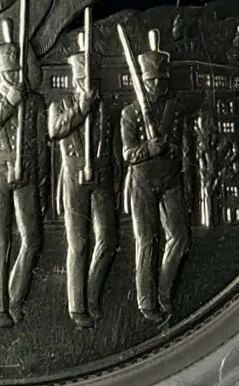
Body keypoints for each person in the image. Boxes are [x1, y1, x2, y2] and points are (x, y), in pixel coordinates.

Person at [0, 41, 47, 327]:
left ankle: (14, 297)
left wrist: (41, 181)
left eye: (18, 71)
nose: (14, 76)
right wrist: (9, 102)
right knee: (0, 239)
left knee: (32, 238)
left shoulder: (34, 102)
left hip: (26, 171)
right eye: (9, 72)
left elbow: (41, 143)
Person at [120, 30, 192, 320]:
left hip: (171, 178)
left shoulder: (176, 110)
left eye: (162, 79)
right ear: (144, 80)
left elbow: (184, 146)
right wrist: (148, 149)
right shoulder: (130, 113)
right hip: (142, 181)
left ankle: (164, 291)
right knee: (146, 240)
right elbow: (127, 153)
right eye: (153, 80)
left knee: (180, 237)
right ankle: (145, 302)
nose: (158, 85)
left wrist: (172, 149)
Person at [46, 38, 118, 328]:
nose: (91, 86)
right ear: (75, 80)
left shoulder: (106, 108)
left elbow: (113, 148)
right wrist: (81, 109)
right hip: (74, 177)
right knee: (78, 242)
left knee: (108, 239)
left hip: (102, 176)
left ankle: (92, 294)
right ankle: (77, 306)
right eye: (86, 80)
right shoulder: (60, 105)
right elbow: (55, 130)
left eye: (95, 81)